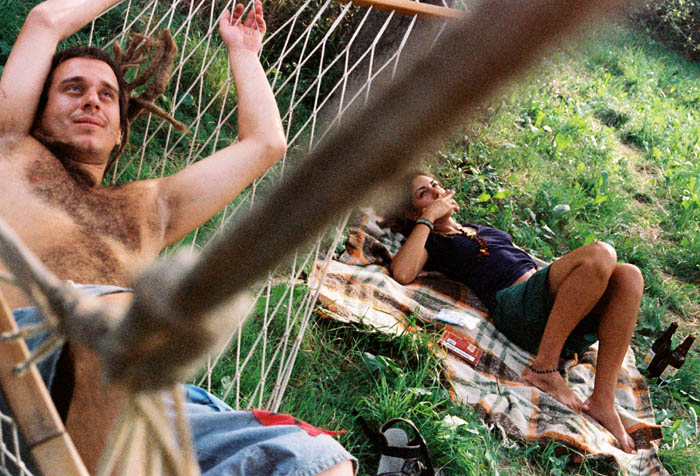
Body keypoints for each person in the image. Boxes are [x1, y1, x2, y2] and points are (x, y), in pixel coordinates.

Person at [0, 1, 355, 475]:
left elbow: (265, 144)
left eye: (107, 95)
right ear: (38, 110)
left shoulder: (151, 207)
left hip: (136, 395)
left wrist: (243, 53)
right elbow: (46, 20)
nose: (91, 101)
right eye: (73, 88)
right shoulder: (11, 148)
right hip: (19, 360)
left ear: (120, 132)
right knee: (121, 315)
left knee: (316, 460)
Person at [389, 173, 643, 454]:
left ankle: (603, 400)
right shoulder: (434, 242)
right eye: (424, 193)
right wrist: (428, 219)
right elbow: (402, 272)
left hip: (557, 315)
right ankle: (544, 368)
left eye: (435, 185)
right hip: (518, 310)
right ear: (413, 214)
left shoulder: (474, 227)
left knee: (630, 276)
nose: (436, 192)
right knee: (601, 253)